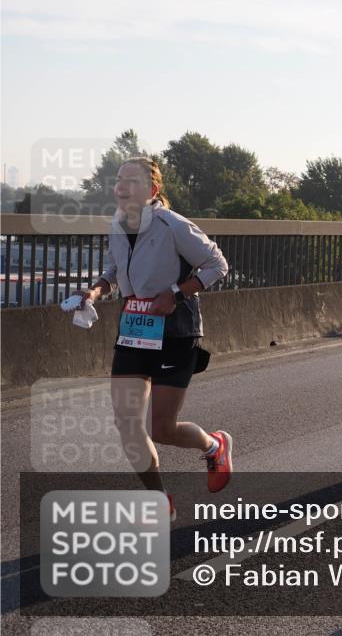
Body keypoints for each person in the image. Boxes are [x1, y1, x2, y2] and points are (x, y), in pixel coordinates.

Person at [75, 157, 231, 521]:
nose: (121, 187)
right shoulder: (116, 223)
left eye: (131, 181)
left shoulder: (171, 224)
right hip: (134, 330)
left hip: (175, 331)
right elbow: (114, 271)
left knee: (161, 428)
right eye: (119, 180)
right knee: (127, 423)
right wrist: (95, 291)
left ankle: (214, 446)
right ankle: (160, 501)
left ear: (152, 190)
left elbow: (217, 265)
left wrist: (174, 294)